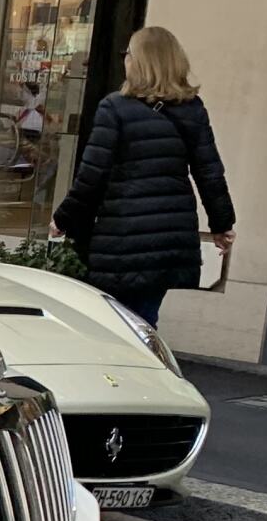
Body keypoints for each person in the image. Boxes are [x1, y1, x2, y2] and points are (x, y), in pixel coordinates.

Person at [53, 25, 236, 327]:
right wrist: (222, 223)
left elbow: (91, 176)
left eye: (128, 54)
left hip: (123, 234)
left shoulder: (114, 108)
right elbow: (210, 172)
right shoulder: (192, 109)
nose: (124, 60)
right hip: (170, 234)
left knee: (109, 323)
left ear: (138, 62)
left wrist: (63, 219)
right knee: (144, 319)